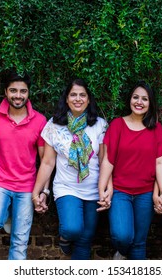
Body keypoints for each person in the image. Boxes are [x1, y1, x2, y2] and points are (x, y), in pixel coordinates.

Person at [32, 78, 108, 260]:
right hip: (66, 188)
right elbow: (48, 163)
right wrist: (37, 192)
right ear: (66, 99)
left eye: (83, 95)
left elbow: (105, 160)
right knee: (72, 229)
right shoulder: (54, 125)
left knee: (85, 240)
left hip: (93, 189)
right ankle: (65, 238)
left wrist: (106, 190)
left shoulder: (99, 125)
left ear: (89, 99)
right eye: (73, 95)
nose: (78, 99)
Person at [97, 81, 162, 260]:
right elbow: (108, 160)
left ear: (150, 103)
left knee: (139, 242)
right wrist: (102, 190)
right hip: (121, 192)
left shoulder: (156, 129)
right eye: (136, 97)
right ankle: (121, 251)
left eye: (144, 99)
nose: (139, 102)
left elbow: (160, 163)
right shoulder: (117, 125)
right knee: (123, 236)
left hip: (144, 193)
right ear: (129, 99)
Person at [0, 71, 47, 260]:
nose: (18, 95)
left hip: (27, 186)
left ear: (28, 93)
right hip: (0, 183)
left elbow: (45, 161)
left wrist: (43, 191)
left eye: (22, 91)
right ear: (5, 92)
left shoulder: (40, 121)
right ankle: (8, 213)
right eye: (13, 90)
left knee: (19, 242)